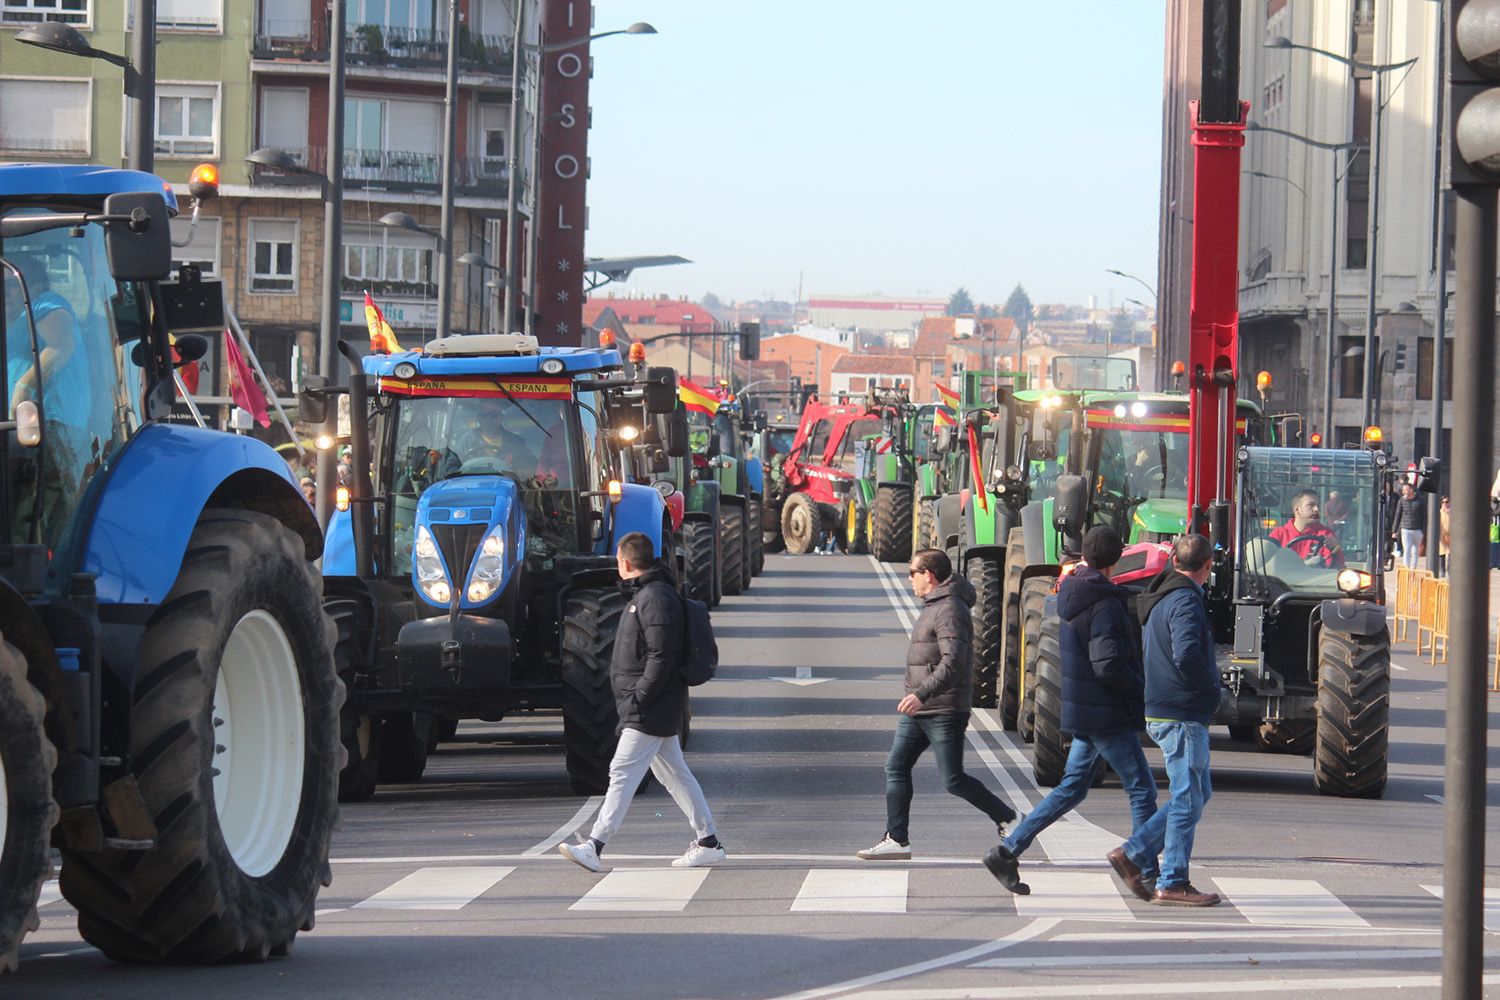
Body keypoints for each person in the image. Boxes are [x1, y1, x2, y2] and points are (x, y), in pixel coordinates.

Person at [984, 527, 1158, 898]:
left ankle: (1008, 850)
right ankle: (1144, 868)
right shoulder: (1106, 602)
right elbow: (1108, 664)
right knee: (1142, 790)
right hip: (1107, 714)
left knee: (1072, 788)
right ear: (1118, 559)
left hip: (1085, 710)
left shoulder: (1073, 593)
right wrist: (1140, 689)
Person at [560, 532, 725, 872]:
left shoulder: (655, 598)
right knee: (675, 775)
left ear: (624, 562)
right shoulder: (650, 595)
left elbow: (661, 656)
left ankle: (595, 845)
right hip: (653, 706)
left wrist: (639, 698)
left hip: (651, 707)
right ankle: (708, 841)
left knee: (621, 772)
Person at [857, 548, 1016, 860]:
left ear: (928, 576)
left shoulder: (949, 609)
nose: (909, 578)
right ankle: (897, 838)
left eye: (913, 572)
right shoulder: (935, 605)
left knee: (953, 779)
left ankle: (1008, 818)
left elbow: (954, 662)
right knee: (896, 766)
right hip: (921, 707)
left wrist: (921, 693)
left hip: (943, 708)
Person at [1113, 534, 1221, 907]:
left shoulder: (1161, 595)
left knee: (1195, 794)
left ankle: (1139, 855)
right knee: (1188, 798)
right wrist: (1211, 690)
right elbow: (1187, 654)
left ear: (1174, 560)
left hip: (1163, 705)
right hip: (1181, 710)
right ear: (1207, 566)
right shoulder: (1186, 601)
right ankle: (1166, 876)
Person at [1268, 490, 1345, 569]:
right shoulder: (1278, 534)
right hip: (1282, 580)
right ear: (1297, 510)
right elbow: (1267, 565)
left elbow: (1337, 568)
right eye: (1310, 505)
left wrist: (1335, 549)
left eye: (1318, 505)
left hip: (1316, 580)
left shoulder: (1326, 534)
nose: (1316, 509)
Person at [1395, 483, 1427, 571]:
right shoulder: (1401, 501)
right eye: (1403, 490)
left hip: (1417, 529)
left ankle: (1413, 567)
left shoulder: (1420, 501)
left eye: (1406, 490)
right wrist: (1394, 530)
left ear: (1411, 490)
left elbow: (1424, 516)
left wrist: (1423, 530)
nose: (1404, 492)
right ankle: (1407, 566)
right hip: (1405, 528)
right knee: (1407, 548)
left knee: (1415, 549)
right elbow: (1398, 515)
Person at [1439, 496, 1451, 577]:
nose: (1445, 504)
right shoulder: (1439, 512)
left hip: (1451, 535)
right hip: (1441, 535)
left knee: (1450, 553)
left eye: (1446, 502)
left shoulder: (1452, 512)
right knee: (1442, 553)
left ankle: (1449, 570)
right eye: (1443, 502)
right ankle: (1442, 570)